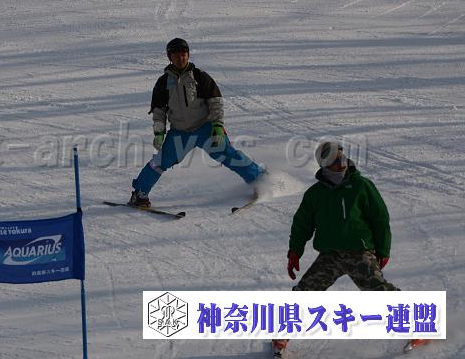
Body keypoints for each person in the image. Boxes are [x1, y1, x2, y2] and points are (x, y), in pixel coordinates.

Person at [272, 140, 426, 358]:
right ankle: (281, 337)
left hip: (358, 252)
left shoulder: (361, 186)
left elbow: (380, 219)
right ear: (325, 164)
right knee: (304, 292)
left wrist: (383, 250)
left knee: (379, 291)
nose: (342, 162)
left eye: (343, 157)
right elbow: (302, 224)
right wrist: (294, 251)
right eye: (336, 160)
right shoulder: (315, 194)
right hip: (330, 255)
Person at [128, 38, 265, 207]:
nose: (181, 58)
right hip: (180, 133)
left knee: (228, 155)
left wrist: (217, 125)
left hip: (205, 128)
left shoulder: (200, 77)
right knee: (160, 162)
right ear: (170, 57)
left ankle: (260, 179)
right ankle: (139, 193)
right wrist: (159, 132)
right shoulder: (163, 83)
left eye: (183, 54)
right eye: (176, 55)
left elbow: (215, 102)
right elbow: (159, 111)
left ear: (188, 55)